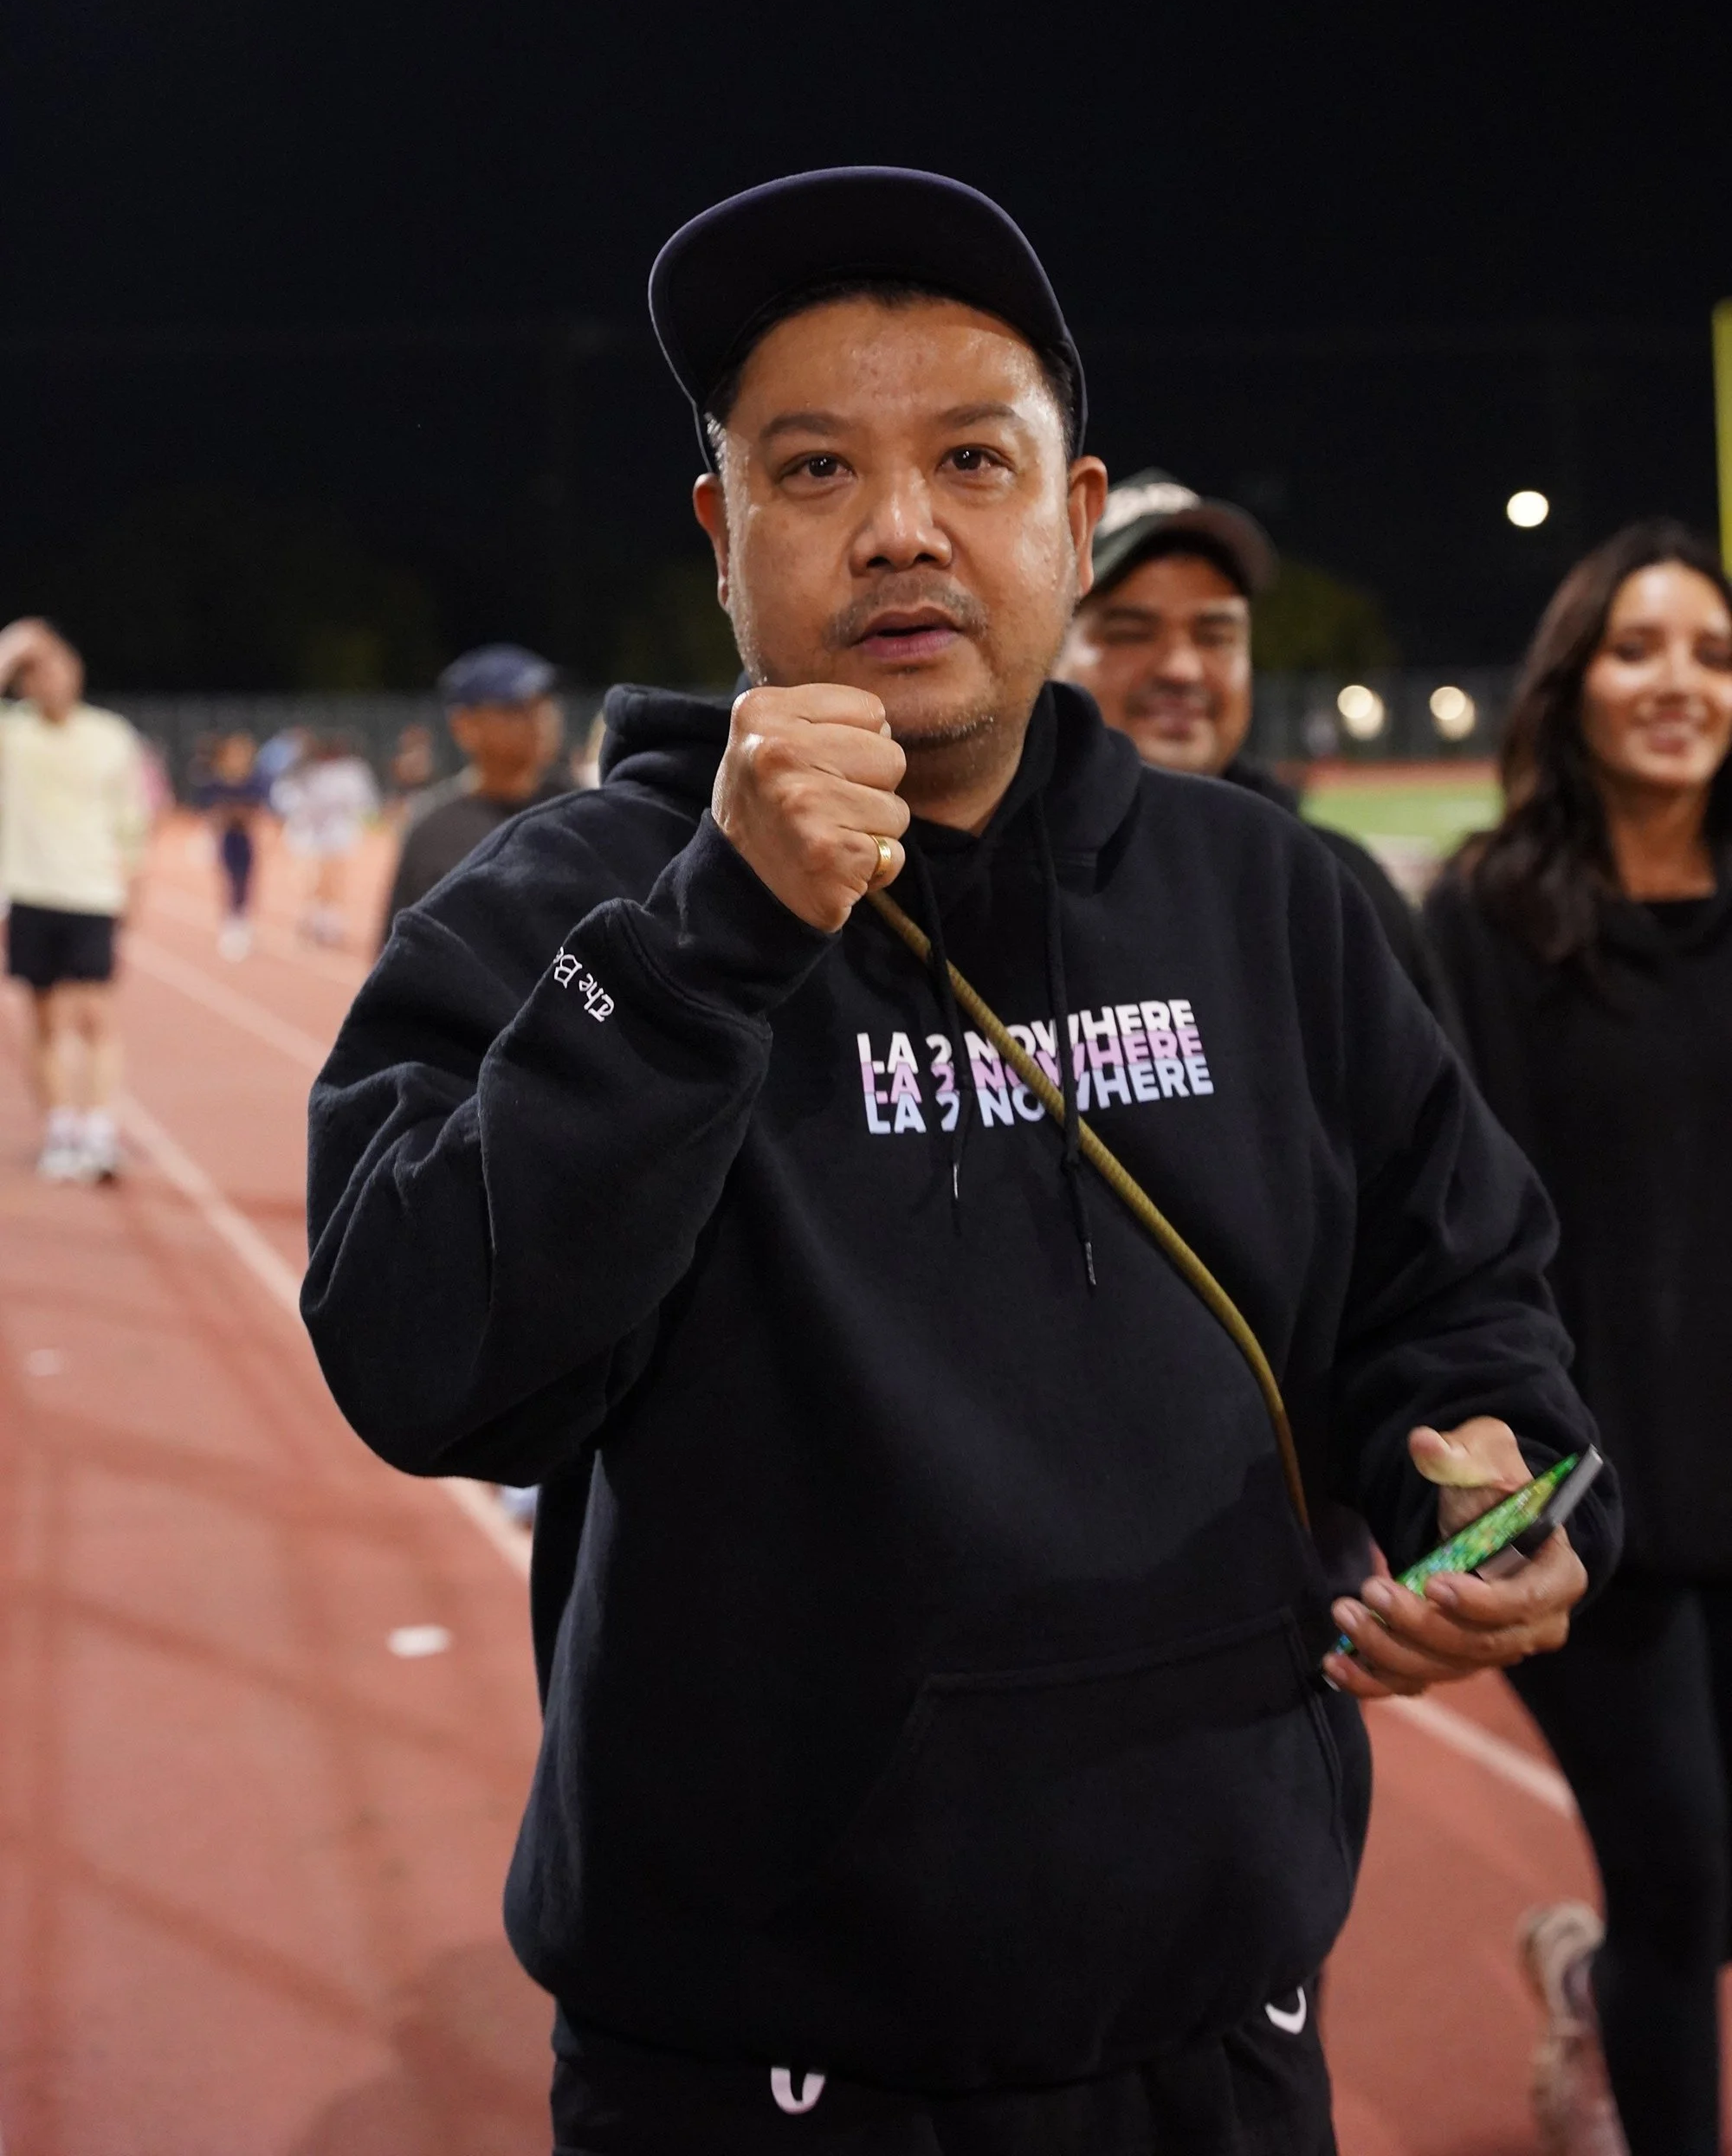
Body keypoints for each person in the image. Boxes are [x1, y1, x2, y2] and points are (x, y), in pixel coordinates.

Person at [303, 168, 1616, 2156]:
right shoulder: (558, 906)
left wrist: (1488, 1450)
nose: (898, 523)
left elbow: (1457, 1283)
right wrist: (710, 942)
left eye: (970, 459)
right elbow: (421, 1360)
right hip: (752, 2064)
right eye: (812, 463)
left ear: (1072, 520)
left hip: (1220, 2016)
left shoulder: (1271, 892)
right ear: (721, 538)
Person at [1425, 520, 1732, 2156]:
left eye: (1711, 653)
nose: (1676, 682)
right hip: (1601, 1500)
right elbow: (1466, 1220)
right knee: (1681, 1875)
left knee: (1712, 1892)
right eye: (1638, 647)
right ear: (1575, 683)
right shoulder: (1490, 919)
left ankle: (1583, 1978)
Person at [1057, 470, 1441, 998]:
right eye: (1130, 633)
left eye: (1216, 635)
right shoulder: (993, 887)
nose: (1182, 669)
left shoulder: (1332, 885)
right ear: (1050, 654)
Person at [0, 616, 151, 1181]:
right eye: (38, 673)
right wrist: (13, 646)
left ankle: (98, 1128)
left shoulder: (110, 735)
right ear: (26, 683)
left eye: (60, 667)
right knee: (41, 1017)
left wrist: (135, 890)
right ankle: (62, 1128)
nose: (53, 680)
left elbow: (133, 823)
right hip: (30, 889)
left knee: (95, 1014)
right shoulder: (13, 733)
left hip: (92, 892)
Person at [381, 645, 566, 941]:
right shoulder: (432, 834)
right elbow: (397, 960)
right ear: (464, 725)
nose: (540, 718)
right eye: (515, 708)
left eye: (544, 703)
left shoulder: (582, 806)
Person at [273, 734, 378, 947]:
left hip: (335, 832)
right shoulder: (299, 772)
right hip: (307, 833)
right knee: (311, 877)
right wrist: (302, 811)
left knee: (333, 876)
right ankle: (311, 916)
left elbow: (362, 801)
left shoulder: (349, 772)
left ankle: (329, 921)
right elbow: (285, 798)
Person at [195, 731, 268, 960]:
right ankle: (231, 922)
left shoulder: (254, 779)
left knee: (246, 880)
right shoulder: (216, 781)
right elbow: (211, 811)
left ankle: (242, 920)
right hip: (226, 838)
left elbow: (256, 810)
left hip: (245, 838)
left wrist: (235, 813)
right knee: (229, 879)